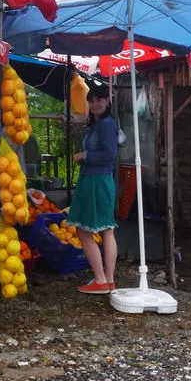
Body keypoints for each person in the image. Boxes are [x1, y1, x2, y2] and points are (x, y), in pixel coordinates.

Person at [70, 86, 118, 294]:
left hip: (96, 181)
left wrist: (84, 156)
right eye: (92, 100)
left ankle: (100, 279)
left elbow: (110, 154)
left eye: (100, 100)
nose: (96, 104)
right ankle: (108, 280)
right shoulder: (98, 124)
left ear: (107, 102)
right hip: (100, 179)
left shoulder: (106, 125)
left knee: (84, 231)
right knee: (107, 230)